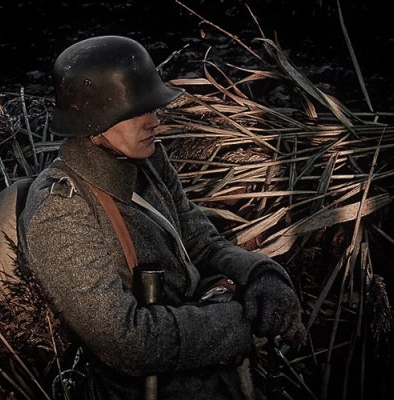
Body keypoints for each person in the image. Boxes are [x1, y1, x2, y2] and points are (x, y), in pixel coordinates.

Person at [17, 35, 305, 400]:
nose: (155, 120)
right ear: (94, 123)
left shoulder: (149, 162)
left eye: (152, 107)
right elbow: (126, 341)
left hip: (213, 373)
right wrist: (238, 323)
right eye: (137, 111)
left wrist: (261, 275)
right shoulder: (60, 210)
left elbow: (201, 243)